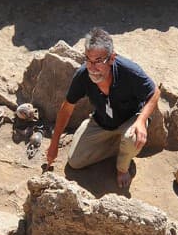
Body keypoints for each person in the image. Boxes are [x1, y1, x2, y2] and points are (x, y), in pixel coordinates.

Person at [46, 28, 160, 190]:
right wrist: (54, 142)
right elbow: (67, 108)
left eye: (99, 60)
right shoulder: (83, 75)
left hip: (130, 119)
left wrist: (141, 121)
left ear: (112, 58)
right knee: (75, 161)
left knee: (131, 139)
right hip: (101, 121)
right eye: (88, 59)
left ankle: (122, 167)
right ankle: (117, 144)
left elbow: (155, 92)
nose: (92, 67)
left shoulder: (128, 70)